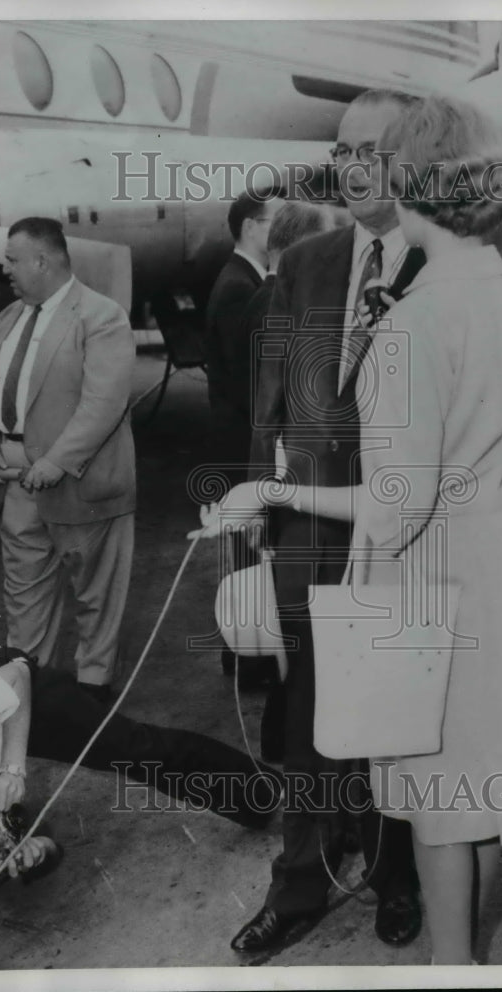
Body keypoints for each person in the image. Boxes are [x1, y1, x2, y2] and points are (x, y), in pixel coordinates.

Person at [197, 95, 502, 965]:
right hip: (495, 571)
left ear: (405, 178)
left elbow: (394, 507)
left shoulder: (418, 318)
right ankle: (447, 948)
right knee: (470, 788)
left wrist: (270, 494)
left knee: (429, 793)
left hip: (419, 580)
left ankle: (449, 958)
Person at [223, 89, 424, 954]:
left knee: (397, 713)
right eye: (341, 149)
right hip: (306, 531)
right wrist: (262, 505)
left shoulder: (448, 267)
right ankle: (300, 879)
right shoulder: (304, 261)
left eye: (370, 149)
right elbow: (269, 407)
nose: (349, 165)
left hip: (404, 532)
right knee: (304, 706)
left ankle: (396, 870)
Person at [0, 645, 284, 912]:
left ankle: (266, 793)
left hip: (0, 678)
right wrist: (32, 850)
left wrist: (12, 767)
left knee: (133, 748)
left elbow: (18, 675)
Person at [0, 217, 136, 701]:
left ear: (43, 261)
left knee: (96, 601)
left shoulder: (101, 316)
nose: (5, 269)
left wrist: (58, 461)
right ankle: (29, 701)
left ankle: (91, 705)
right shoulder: (9, 317)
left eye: (12, 260)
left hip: (82, 486)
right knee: (23, 602)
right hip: (18, 485)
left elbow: (104, 402)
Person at [238, 201, 338, 763]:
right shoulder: (275, 306)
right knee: (298, 647)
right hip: (297, 495)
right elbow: (266, 415)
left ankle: (290, 741)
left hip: (297, 492)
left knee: (298, 645)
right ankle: (293, 748)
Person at [205, 188, 286, 686]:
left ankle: (247, 657)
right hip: (241, 448)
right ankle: (248, 662)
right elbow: (250, 381)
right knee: (250, 560)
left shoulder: (239, 278)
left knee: (247, 559)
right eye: (276, 219)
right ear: (253, 227)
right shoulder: (240, 287)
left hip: (235, 444)